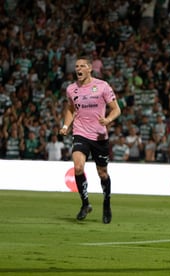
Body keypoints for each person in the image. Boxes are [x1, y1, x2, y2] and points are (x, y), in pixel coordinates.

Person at [59, 56, 121, 224]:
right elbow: (70, 109)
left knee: (103, 173)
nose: (78, 69)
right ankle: (85, 204)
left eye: (81, 66)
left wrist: (108, 120)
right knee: (78, 167)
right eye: (76, 66)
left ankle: (106, 204)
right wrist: (66, 126)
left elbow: (116, 110)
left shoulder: (102, 86)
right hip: (80, 133)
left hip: (99, 136)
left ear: (89, 69)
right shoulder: (72, 89)